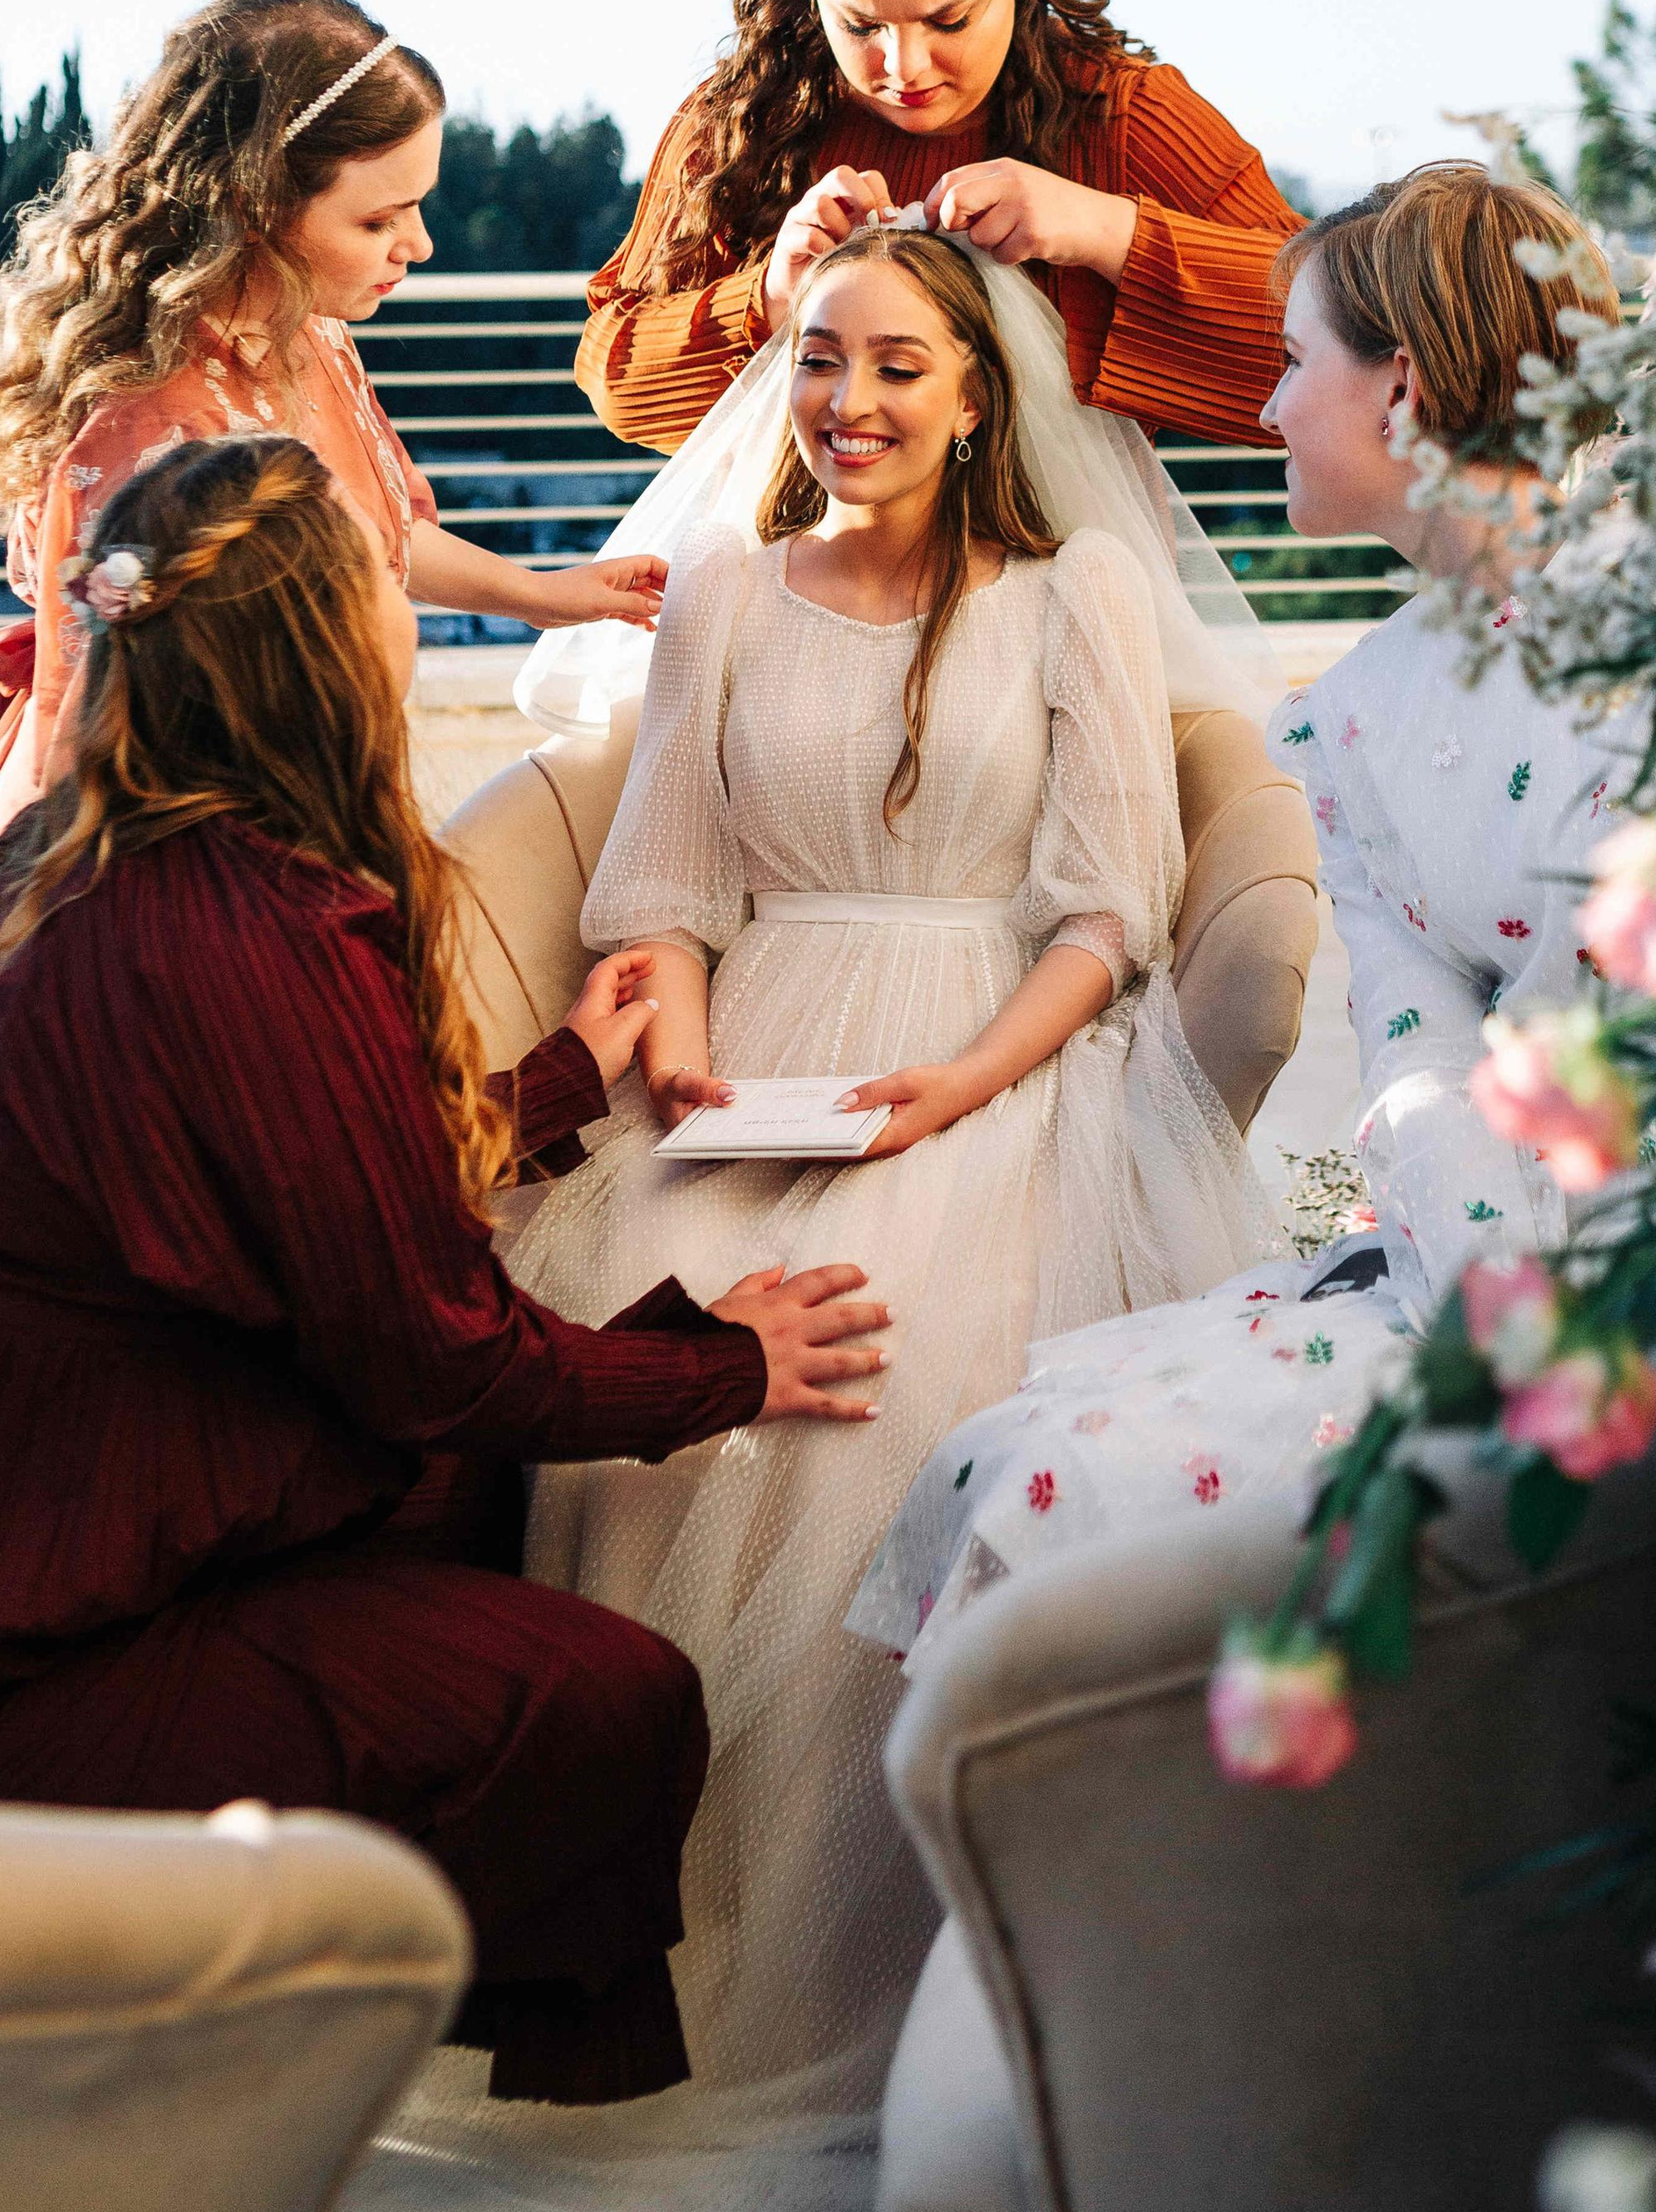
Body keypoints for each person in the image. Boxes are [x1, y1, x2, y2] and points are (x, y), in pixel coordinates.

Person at [0, 433, 885, 2107]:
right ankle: (228, 2054)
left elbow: (283, 1175)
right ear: (316, 646)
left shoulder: (75, 855)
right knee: (609, 1699)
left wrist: (556, 1090)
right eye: (380, 576)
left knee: (448, 1503)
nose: (406, 603)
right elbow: (437, 1357)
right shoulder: (258, 928)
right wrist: (723, 1366)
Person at [506, 224, 1266, 2113]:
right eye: (823, 360)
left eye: (897, 366)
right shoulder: (726, 597)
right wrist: (677, 1046)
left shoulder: (1064, 588)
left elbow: (1107, 915)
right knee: (635, 1337)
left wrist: (952, 1083)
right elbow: (665, 889)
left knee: (888, 1383)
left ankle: (880, 1959)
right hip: (752, 1053)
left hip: (990, 1045)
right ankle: (658, 1942)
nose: (848, 402)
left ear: (973, 391)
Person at [860, 162, 1633, 1672]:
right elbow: (1414, 1042)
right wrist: (1479, 1279)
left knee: (1072, 1494)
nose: (1265, 411)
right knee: (1008, 1459)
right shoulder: (1351, 722)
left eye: (1291, 366)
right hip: (1471, 1267)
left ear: (1401, 381)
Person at [0, 0, 666, 840]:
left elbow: (383, 531)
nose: (421, 245)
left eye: (420, 204)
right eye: (378, 220)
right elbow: (112, 703)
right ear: (253, 206)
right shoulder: (154, 435)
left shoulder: (308, 328)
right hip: (182, 839)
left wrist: (543, 595)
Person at [576, 0, 1300, 456]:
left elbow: (1345, 364)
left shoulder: (1122, 116)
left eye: (949, 19)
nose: (905, 66)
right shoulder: (743, 120)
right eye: (860, 24)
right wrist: (769, 298)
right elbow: (615, 387)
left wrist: (1104, 233)